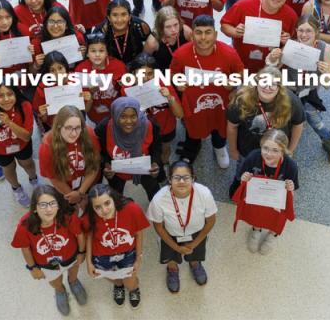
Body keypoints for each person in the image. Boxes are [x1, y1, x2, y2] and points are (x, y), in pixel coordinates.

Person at [265, 15, 330, 168]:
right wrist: (273, 57)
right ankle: (279, 150)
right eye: (300, 30)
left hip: (308, 94)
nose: (304, 35)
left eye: (309, 31)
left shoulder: (325, 48)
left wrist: (326, 72)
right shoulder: (291, 45)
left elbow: (327, 85)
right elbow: (271, 69)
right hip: (289, 93)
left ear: (316, 32)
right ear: (296, 31)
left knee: (318, 124)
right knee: (280, 124)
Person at [170, 15, 244, 168]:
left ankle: (219, 147)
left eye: (208, 32)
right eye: (198, 32)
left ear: (215, 35)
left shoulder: (229, 53)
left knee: (219, 128)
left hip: (220, 103)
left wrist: (234, 85)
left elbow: (241, 75)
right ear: (192, 35)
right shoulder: (181, 54)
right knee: (193, 129)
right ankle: (192, 148)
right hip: (194, 103)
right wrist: (178, 83)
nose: (203, 37)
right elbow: (173, 75)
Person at [11, 185, 87, 316]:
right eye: (43, 205)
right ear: (35, 207)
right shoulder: (25, 225)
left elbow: (79, 234)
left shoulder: (68, 216)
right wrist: (33, 268)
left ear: (59, 205)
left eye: (53, 203)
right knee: (55, 281)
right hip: (45, 263)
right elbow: (25, 248)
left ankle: (73, 281)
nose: (49, 209)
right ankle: (60, 290)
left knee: (73, 271)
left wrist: (81, 252)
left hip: (71, 255)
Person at [227, 66, 304, 187]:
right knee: (242, 171)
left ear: (280, 87)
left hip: (276, 151)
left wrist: (290, 150)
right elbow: (232, 126)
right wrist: (232, 149)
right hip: (247, 150)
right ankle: (239, 184)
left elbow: (298, 125)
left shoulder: (291, 101)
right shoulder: (241, 99)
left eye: (274, 84)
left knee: (272, 173)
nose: (268, 87)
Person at [147, 160, 217, 293]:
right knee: (170, 255)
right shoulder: (159, 199)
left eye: (186, 177)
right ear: (169, 180)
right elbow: (159, 228)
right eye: (176, 177)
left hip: (198, 233)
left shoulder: (204, 194)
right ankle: (172, 269)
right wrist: (177, 247)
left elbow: (211, 221)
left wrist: (194, 244)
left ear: (193, 178)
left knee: (196, 253)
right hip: (170, 234)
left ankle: (195, 263)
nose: (181, 181)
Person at [231, 129, 298, 255]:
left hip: (277, 202)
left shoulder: (291, 166)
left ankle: (272, 236)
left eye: (275, 150)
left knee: (278, 219)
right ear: (261, 146)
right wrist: (244, 179)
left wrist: (290, 187)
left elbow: (292, 192)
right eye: (265, 148)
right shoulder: (253, 157)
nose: (268, 154)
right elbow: (242, 182)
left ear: (283, 151)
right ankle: (256, 230)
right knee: (257, 214)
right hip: (258, 198)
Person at [83, 184, 149, 309]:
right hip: (102, 255)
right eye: (98, 207)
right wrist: (89, 262)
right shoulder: (90, 217)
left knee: (130, 281)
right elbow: (89, 237)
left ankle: (133, 289)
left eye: (107, 203)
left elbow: (139, 233)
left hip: (128, 252)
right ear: (92, 208)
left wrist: (138, 258)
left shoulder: (132, 209)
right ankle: (118, 286)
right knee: (111, 277)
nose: (104, 210)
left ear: (114, 199)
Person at [220, 0, 298, 73]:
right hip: (240, 68)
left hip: (271, 72)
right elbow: (224, 26)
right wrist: (235, 31)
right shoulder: (244, 5)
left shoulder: (291, 15)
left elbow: (296, 42)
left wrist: (288, 42)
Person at [94, 97, 164, 201]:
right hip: (117, 171)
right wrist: (106, 164)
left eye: (133, 116)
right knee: (115, 197)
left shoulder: (149, 126)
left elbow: (156, 148)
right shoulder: (104, 128)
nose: (129, 121)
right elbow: (100, 151)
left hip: (145, 168)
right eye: (123, 116)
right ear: (115, 114)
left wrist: (155, 162)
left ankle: (158, 212)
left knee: (154, 193)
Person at [0, 84, 38, 207]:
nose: (6, 99)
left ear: (16, 94)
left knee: (28, 163)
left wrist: (8, 122)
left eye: (10, 94)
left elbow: (26, 136)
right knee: (8, 168)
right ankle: (16, 189)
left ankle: (34, 179)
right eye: (1, 96)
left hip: (22, 144)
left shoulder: (25, 106)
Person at [126, 53, 183, 167]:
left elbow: (180, 114)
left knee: (165, 149)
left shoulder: (164, 85)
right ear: (133, 74)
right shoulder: (127, 89)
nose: (146, 78)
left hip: (166, 128)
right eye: (141, 74)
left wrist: (169, 97)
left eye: (150, 74)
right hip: (143, 130)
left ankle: (165, 164)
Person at [39, 106, 101, 208]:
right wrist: (75, 197)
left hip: (89, 183)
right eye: (68, 128)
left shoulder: (89, 134)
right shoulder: (47, 146)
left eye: (77, 127)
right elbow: (54, 178)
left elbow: (94, 166)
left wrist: (80, 192)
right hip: (65, 189)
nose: (74, 133)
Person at [75, 33, 127, 125]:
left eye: (101, 51)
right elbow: (79, 100)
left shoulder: (119, 67)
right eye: (93, 51)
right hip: (92, 116)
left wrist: (123, 85)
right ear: (87, 53)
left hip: (116, 114)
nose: (97, 55)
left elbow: (126, 93)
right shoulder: (80, 70)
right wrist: (90, 92)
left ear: (107, 52)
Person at [93, 0, 156, 64]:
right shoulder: (100, 32)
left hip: (136, 65)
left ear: (129, 16)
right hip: (110, 65)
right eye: (115, 15)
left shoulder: (141, 26)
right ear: (109, 17)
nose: (119, 19)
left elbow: (151, 43)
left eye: (123, 14)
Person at [31, 5, 86, 71]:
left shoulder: (77, 38)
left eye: (60, 22)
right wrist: (36, 65)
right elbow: (32, 73)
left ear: (66, 25)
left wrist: (84, 56)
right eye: (51, 22)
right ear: (46, 24)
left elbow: (86, 66)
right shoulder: (37, 43)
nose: (55, 26)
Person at [149, 6, 192, 72]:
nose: (173, 30)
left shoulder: (186, 31)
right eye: (168, 27)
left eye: (175, 24)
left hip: (183, 70)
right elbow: (144, 63)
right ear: (160, 27)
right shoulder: (152, 42)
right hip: (163, 74)